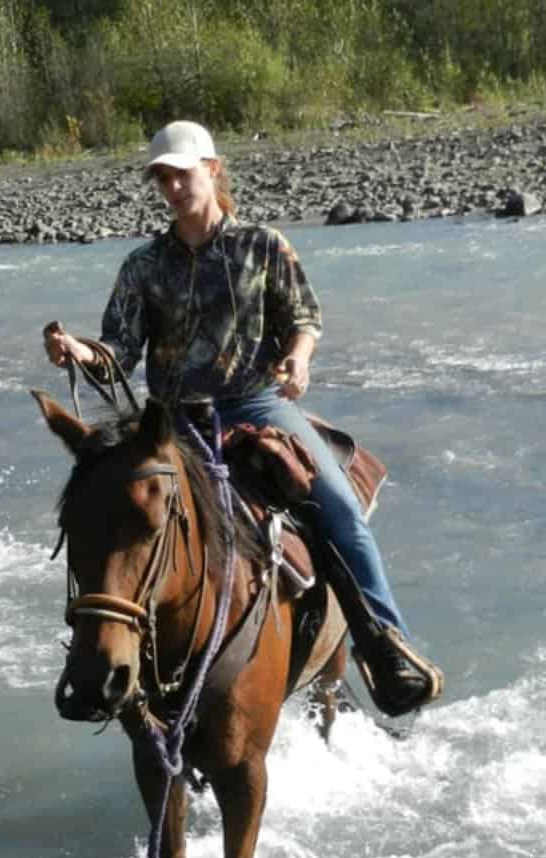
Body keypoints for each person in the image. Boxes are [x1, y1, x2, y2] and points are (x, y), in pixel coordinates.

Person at [43, 120, 442, 718]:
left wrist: (298, 360)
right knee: (116, 521)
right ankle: (110, 657)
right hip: (172, 421)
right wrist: (78, 351)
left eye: (183, 174)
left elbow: (304, 319)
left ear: (213, 169)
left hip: (258, 405)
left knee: (340, 511)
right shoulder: (142, 265)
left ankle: (385, 645)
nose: (174, 187)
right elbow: (118, 353)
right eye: (164, 178)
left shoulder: (264, 245)